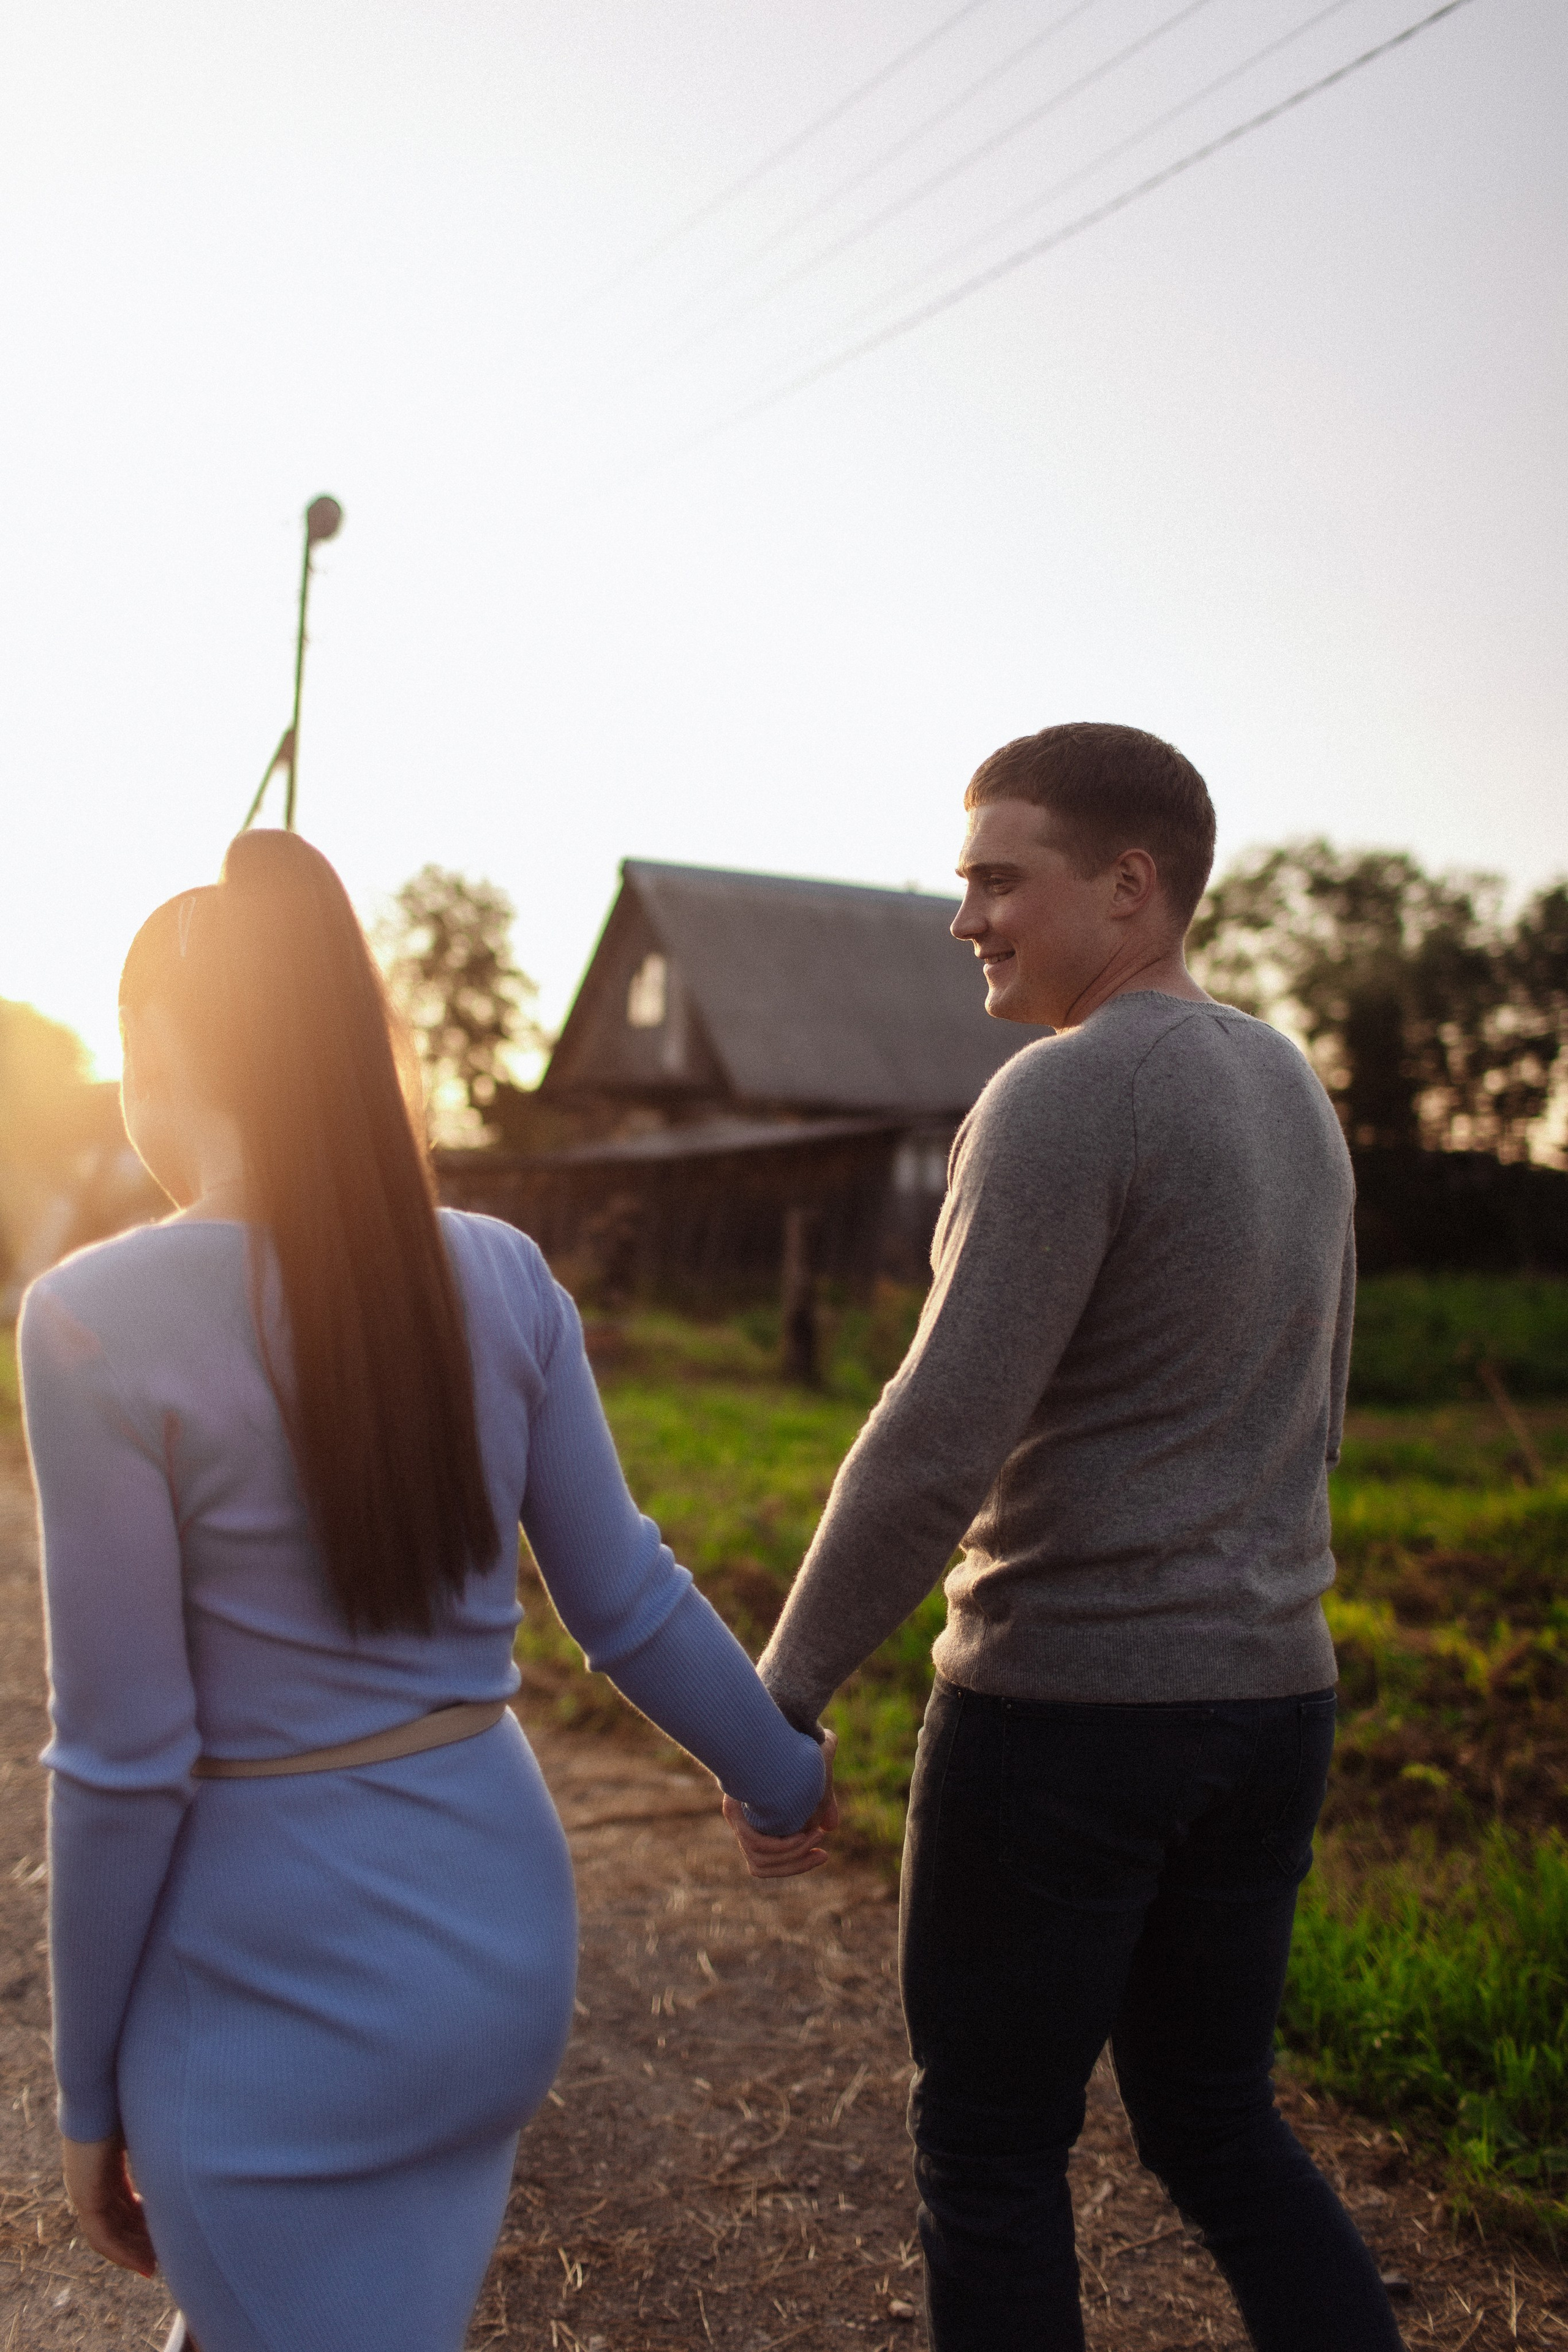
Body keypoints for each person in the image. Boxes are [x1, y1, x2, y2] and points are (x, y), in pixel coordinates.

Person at [19, 829, 835, 2352]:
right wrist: (779, 1773)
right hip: (490, 1959)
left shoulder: (88, 1318)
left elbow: (121, 1765)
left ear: (154, 1052)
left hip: (270, 1998)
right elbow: (629, 1597)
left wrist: (81, 2101)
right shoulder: (500, 1274)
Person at [726, 723, 1404, 2351]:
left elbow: (934, 1442)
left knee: (992, 2152)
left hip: (1071, 1723)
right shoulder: (1287, 1084)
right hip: (1272, 1705)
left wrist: (780, 1701)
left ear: (1131, 883)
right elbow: (1321, 1399)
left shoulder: (1062, 1093)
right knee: (1215, 2124)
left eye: (998, 878)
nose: (966, 917)